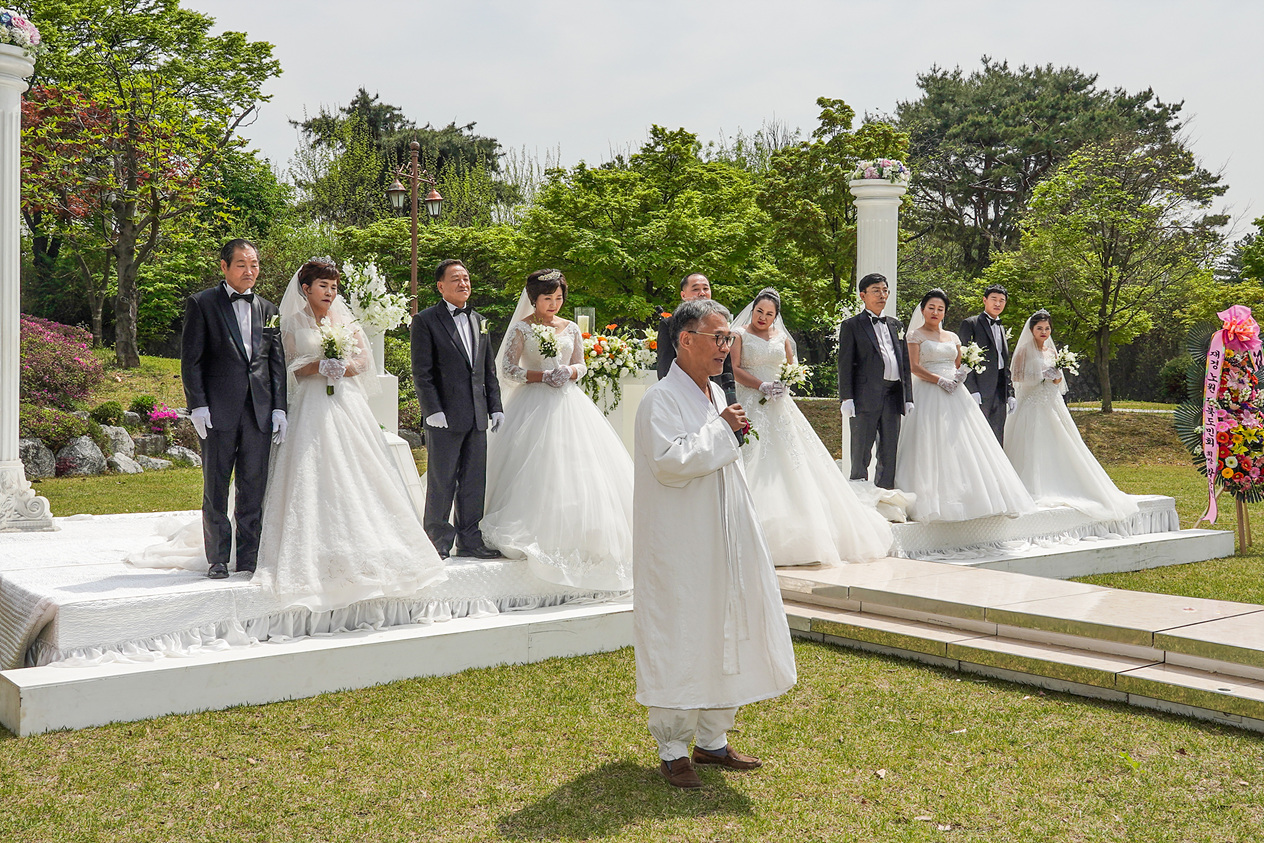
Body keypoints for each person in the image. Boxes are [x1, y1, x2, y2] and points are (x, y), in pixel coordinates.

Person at [633, 297, 796, 790]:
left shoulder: (712, 394)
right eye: (717, 337)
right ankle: (673, 747)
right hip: (681, 540)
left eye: (728, 338)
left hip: (723, 533)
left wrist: (727, 428)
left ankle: (712, 739)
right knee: (682, 628)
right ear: (685, 340)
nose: (726, 347)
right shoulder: (660, 400)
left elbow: (721, 456)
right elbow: (669, 462)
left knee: (725, 625)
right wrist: (725, 429)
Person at [252, 259, 448, 610]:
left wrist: (341, 366)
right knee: (312, 469)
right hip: (312, 403)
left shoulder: (346, 321)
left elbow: (363, 362)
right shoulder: (292, 322)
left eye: (333, 287)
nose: (329, 292)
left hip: (346, 402)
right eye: (323, 286)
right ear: (306, 288)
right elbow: (289, 364)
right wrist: (317, 365)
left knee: (358, 469)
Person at [480, 269, 633, 591]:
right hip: (532, 402)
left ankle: (580, 532)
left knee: (577, 467)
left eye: (559, 298)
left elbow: (582, 364)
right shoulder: (522, 328)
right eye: (547, 298)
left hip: (568, 400)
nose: (554, 304)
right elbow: (508, 369)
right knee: (534, 464)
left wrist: (568, 371)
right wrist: (541, 376)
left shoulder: (572, 328)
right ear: (533, 299)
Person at [730, 287, 893, 565]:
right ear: (753, 308)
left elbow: (791, 369)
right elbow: (733, 368)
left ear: (776, 316)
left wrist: (784, 385)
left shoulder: (782, 339)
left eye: (769, 314)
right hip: (750, 400)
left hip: (779, 405)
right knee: (754, 457)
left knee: (794, 462)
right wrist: (762, 385)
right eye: (760, 311)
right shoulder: (739, 335)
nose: (763, 317)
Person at [181, 239, 288, 579]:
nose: (249, 271)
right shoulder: (202, 304)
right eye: (241, 264)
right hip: (217, 411)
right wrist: (197, 405)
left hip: (258, 412)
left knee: (253, 487)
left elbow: (275, 364)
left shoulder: (269, 309)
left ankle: (249, 558)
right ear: (225, 267)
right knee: (215, 487)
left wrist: (279, 408)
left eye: (254, 264)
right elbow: (191, 360)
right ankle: (217, 559)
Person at [895, 289, 1037, 522]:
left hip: (956, 391)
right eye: (931, 307)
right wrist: (939, 380)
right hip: (929, 390)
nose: (935, 312)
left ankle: (973, 495)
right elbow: (913, 366)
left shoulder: (952, 337)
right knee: (931, 442)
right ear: (923, 309)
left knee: (965, 442)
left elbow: (959, 363)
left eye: (940, 309)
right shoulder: (915, 335)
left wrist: (960, 376)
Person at [1005, 311, 1139, 521]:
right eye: (1039, 328)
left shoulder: (1051, 351)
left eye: (1047, 328)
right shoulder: (1023, 350)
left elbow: (1059, 382)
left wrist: (1055, 376)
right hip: (1031, 402)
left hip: (1051, 401)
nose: (1043, 332)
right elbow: (1016, 376)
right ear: (1032, 330)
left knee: (1060, 440)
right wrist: (1041, 375)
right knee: (1032, 442)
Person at [410, 259, 504, 560]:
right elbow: (422, 372)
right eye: (455, 279)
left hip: (477, 414)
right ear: (440, 286)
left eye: (466, 278)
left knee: (474, 481)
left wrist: (495, 407)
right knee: (442, 479)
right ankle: (437, 541)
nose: (463, 283)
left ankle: (470, 540)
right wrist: (432, 410)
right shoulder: (425, 320)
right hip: (445, 416)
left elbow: (488, 370)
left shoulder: (480, 320)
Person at [837, 273, 914, 489]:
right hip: (864, 396)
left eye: (885, 290)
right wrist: (847, 398)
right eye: (876, 291)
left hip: (893, 395)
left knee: (889, 451)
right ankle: (860, 500)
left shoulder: (896, 325)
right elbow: (845, 364)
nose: (882, 295)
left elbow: (904, 363)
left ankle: (886, 497)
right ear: (863, 295)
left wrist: (908, 397)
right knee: (861, 451)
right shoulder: (852, 325)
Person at [958, 284, 1015, 445]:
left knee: (997, 435)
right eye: (994, 299)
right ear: (985, 300)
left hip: (1000, 389)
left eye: (1002, 301)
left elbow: (1004, 363)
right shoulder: (970, 323)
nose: (998, 304)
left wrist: (1010, 393)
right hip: (980, 390)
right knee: (978, 435)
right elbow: (964, 358)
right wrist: (972, 389)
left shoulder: (1001, 327)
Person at [655, 271, 733, 384]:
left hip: (715, 391)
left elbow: (727, 368)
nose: (702, 293)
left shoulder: (720, 324)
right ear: (683, 295)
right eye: (696, 289)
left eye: (706, 289)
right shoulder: (670, 324)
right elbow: (665, 366)